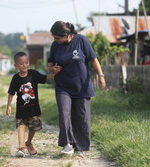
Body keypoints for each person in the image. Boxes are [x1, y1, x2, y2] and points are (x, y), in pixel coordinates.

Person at [47, 21, 106, 157]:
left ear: (67, 35)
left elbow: (93, 59)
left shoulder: (81, 40)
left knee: (82, 117)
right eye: (54, 38)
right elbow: (50, 62)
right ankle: (67, 144)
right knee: (64, 113)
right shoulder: (55, 45)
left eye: (58, 38)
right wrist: (51, 69)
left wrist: (101, 76)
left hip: (81, 86)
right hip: (63, 86)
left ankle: (80, 147)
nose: (55, 40)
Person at [6, 51, 61, 157]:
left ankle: (28, 143)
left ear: (29, 62)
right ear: (16, 65)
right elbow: (11, 93)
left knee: (33, 128)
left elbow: (44, 78)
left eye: (26, 62)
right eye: (21, 63)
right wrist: (8, 105)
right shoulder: (15, 78)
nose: (24, 65)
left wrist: (54, 73)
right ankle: (21, 148)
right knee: (21, 127)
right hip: (21, 110)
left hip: (33, 110)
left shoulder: (33, 74)